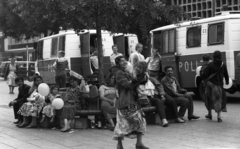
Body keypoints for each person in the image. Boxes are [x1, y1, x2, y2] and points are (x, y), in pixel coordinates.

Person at [113, 56, 149, 149]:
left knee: (141, 120)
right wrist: (138, 79)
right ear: (117, 64)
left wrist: (142, 76)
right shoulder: (119, 73)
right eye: (121, 61)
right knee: (122, 124)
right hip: (125, 102)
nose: (124, 62)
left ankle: (139, 143)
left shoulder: (127, 72)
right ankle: (119, 145)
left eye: (125, 60)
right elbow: (128, 85)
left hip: (134, 100)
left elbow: (136, 81)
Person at [135, 61, 185, 127]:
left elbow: (159, 86)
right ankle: (164, 120)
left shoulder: (150, 78)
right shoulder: (135, 80)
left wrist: (162, 95)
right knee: (159, 102)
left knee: (171, 100)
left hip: (158, 94)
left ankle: (176, 118)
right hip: (148, 97)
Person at [201, 51, 229, 122]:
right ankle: (219, 117)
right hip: (219, 85)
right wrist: (227, 81)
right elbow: (226, 74)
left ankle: (209, 114)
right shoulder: (223, 64)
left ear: (213, 56)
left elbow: (204, 75)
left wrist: (201, 73)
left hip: (210, 84)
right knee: (218, 100)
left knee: (209, 99)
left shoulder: (210, 65)